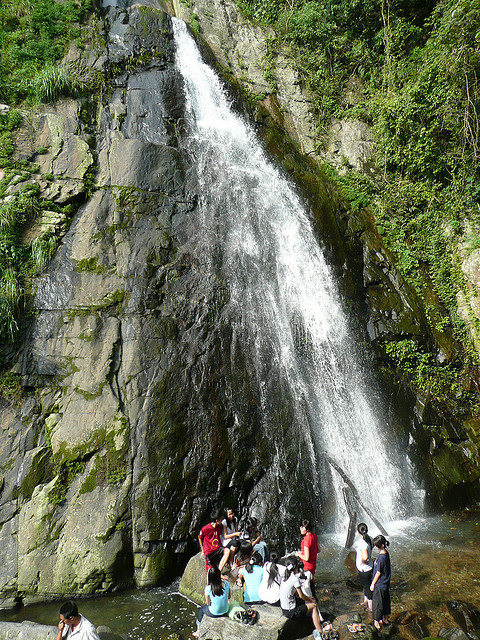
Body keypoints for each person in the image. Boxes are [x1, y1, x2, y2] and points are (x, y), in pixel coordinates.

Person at [279, 556, 327, 640]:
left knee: (305, 602)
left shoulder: (284, 576)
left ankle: (310, 621)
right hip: (291, 611)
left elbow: (294, 593)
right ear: (296, 566)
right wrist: (310, 599)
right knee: (313, 606)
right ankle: (320, 632)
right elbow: (301, 595)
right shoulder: (294, 579)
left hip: (283, 607)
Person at [192, 566, 230, 637]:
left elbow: (207, 604)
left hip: (214, 613)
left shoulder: (208, 589)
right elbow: (229, 597)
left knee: (202, 609)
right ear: (219, 575)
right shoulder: (226, 584)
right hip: (225, 610)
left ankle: (198, 631)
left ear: (210, 577)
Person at [370, 535, 391, 630]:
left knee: (378, 603)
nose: (375, 547)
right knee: (386, 601)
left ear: (382, 545)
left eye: (376, 545)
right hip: (385, 583)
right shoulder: (386, 553)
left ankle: (376, 621)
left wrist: (372, 584)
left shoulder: (381, 558)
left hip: (380, 583)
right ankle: (385, 618)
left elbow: (378, 573)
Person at [296, 519, 319, 599]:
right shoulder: (314, 536)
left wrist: (298, 554)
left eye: (301, 527)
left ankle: (312, 603)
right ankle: (314, 599)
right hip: (313, 565)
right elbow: (318, 550)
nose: (300, 529)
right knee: (311, 584)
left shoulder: (306, 540)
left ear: (305, 528)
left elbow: (306, 557)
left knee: (307, 588)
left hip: (307, 566)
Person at [355, 523, 373, 612]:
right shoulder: (370, 539)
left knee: (367, 588)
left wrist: (362, 561)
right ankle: (365, 601)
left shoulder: (362, 543)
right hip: (369, 567)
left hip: (364, 569)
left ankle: (370, 608)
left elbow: (365, 557)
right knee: (366, 586)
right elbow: (372, 547)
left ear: (358, 532)